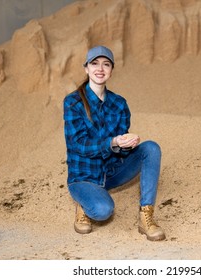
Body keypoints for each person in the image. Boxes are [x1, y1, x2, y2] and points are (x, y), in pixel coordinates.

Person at [63, 46, 165, 241]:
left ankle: (146, 217)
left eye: (106, 64)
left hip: (111, 173)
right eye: (95, 63)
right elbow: (78, 144)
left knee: (151, 148)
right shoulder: (73, 102)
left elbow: (119, 149)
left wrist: (127, 143)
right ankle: (83, 202)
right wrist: (112, 142)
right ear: (86, 68)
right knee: (103, 210)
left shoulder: (119, 103)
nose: (100, 68)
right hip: (84, 176)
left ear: (111, 70)